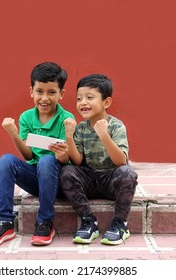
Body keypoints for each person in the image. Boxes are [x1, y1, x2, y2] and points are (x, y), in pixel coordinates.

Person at [0, 62, 75, 246]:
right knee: (5, 160)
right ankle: (5, 222)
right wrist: (13, 134)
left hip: (58, 181)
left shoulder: (66, 119)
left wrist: (62, 153)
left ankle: (45, 221)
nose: (45, 98)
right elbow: (27, 155)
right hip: (36, 180)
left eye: (51, 92)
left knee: (47, 160)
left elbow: (67, 160)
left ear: (61, 94)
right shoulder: (26, 117)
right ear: (31, 91)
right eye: (39, 91)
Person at [60, 74, 138, 245]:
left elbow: (121, 161)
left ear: (106, 102)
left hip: (111, 180)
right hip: (90, 180)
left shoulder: (116, 126)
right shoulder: (80, 128)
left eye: (89, 97)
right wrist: (69, 137)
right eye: (79, 98)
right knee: (67, 171)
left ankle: (120, 224)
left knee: (128, 173)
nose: (83, 103)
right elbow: (78, 161)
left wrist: (103, 135)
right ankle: (89, 221)